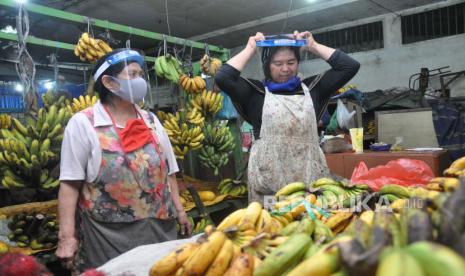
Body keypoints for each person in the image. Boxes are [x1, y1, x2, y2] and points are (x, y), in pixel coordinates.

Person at [55, 49, 192, 272]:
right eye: (132, 75)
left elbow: (168, 171)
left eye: (140, 74)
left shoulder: (151, 120)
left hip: (160, 229)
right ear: (109, 82)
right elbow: (70, 184)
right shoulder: (84, 124)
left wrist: (180, 210)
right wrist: (66, 237)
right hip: (110, 236)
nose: (140, 81)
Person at [215, 31, 360, 204]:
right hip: (269, 182)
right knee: (273, 226)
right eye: (278, 63)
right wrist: (251, 48)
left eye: (291, 62)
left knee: (309, 223)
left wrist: (313, 46)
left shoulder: (314, 89)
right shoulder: (256, 93)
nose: (285, 69)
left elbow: (350, 66)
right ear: (267, 66)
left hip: (309, 178)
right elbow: (222, 77)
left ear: (298, 63)